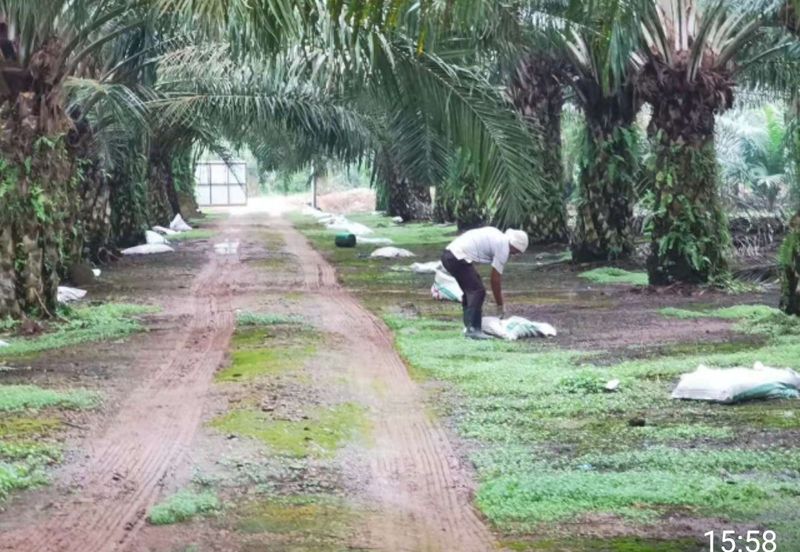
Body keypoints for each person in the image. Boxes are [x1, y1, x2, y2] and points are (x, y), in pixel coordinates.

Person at [441, 227, 528, 339]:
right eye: (516, 252)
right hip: (456, 256)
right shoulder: (504, 247)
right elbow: (495, 280)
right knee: (477, 290)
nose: (514, 255)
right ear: (514, 246)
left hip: (449, 255)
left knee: (471, 289)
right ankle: (473, 330)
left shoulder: (498, 236)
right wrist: (500, 305)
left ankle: (469, 325)